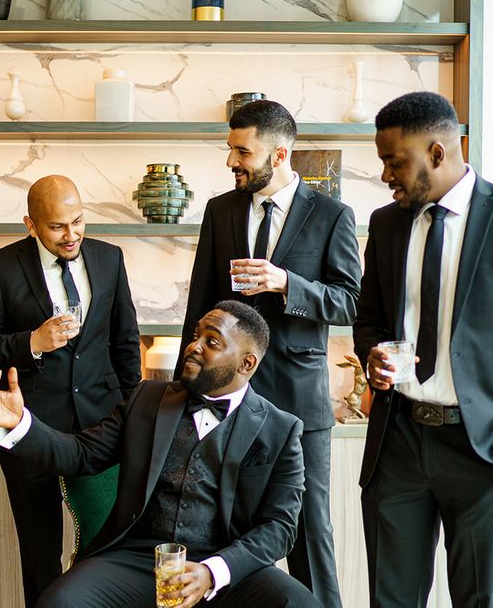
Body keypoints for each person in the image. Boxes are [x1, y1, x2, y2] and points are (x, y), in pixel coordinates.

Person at [0, 300, 320, 608]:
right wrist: (22, 424)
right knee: (60, 602)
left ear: (246, 363)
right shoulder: (147, 399)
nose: (193, 347)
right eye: (196, 335)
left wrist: (213, 573)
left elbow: (280, 527)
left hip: (224, 563)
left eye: (211, 342)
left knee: (298, 603)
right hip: (137, 558)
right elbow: (81, 453)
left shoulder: (281, 429)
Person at [353, 91, 493, 607]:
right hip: (398, 440)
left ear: (438, 153)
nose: (385, 175)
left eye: (394, 161)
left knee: (480, 600)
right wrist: (373, 353)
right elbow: (369, 317)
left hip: (485, 447)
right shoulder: (386, 223)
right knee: (391, 600)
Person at [177, 99, 361, 607]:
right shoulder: (220, 210)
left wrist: (288, 284)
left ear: (279, 155)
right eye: (230, 148)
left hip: (300, 405)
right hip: (226, 400)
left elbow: (351, 302)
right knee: (219, 524)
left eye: (242, 151)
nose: (231, 161)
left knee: (307, 531)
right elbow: (200, 301)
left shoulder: (332, 216)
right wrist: (183, 389)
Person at [0, 174, 141, 605]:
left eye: (78, 221)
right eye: (58, 226)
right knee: (40, 552)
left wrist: (134, 410)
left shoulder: (109, 258)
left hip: (101, 425)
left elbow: (125, 341)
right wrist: (32, 343)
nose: (71, 234)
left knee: (105, 544)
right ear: (31, 225)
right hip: (29, 426)